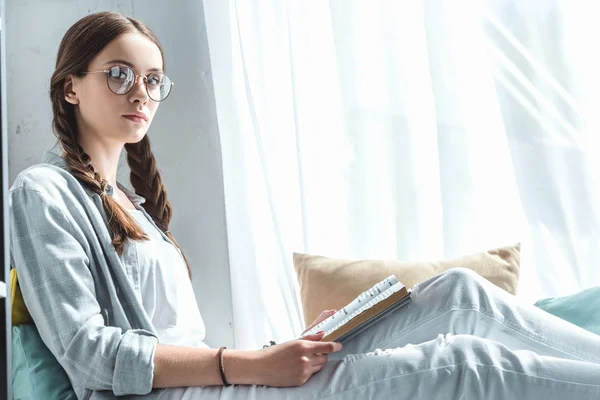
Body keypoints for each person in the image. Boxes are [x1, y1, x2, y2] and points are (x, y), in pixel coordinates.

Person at [8, 11, 600, 400]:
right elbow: (89, 355)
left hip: (223, 378)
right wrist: (247, 365)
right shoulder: (43, 192)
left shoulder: (132, 206)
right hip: (192, 392)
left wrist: (272, 354)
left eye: (153, 79)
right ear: (71, 86)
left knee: (456, 293)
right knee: (467, 367)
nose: (140, 91)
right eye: (118, 74)